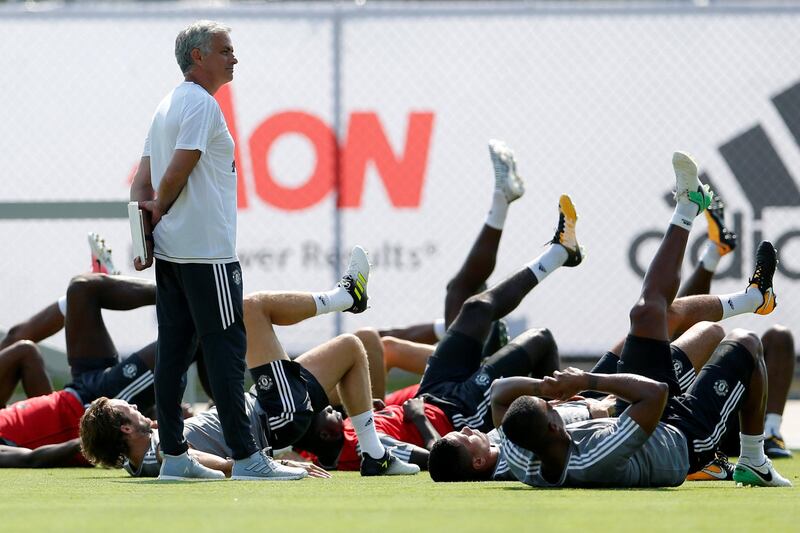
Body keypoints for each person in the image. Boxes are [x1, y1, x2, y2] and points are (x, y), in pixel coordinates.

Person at [495, 151, 791, 488]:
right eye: (551, 409)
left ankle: (688, 205)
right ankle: (754, 460)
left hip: (632, 415)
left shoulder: (522, 451)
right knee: (746, 344)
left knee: (648, 312)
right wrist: (585, 383)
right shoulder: (591, 461)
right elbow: (656, 394)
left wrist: (547, 388)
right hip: (681, 438)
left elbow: (498, 392)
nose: (555, 405)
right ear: (553, 427)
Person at [128, 20, 303, 481]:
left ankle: (175, 456)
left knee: (173, 356)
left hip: (171, 256)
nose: (234, 58)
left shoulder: (165, 104)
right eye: (225, 50)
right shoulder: (201, 105)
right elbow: (174, 174)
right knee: (226, 354)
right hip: (207, 257)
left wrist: (142, 234)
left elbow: (139, 182)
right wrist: (159, 210)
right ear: (199, 57)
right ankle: (248, 459)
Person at [79, 397, 328, 480]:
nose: (135, 405)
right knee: (352, 345)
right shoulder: (163, 452)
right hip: (264, 416)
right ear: (126, 430)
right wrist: (282, 463)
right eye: (129, 409)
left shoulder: (134, 458)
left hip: (255, 409)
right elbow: (228, 466)